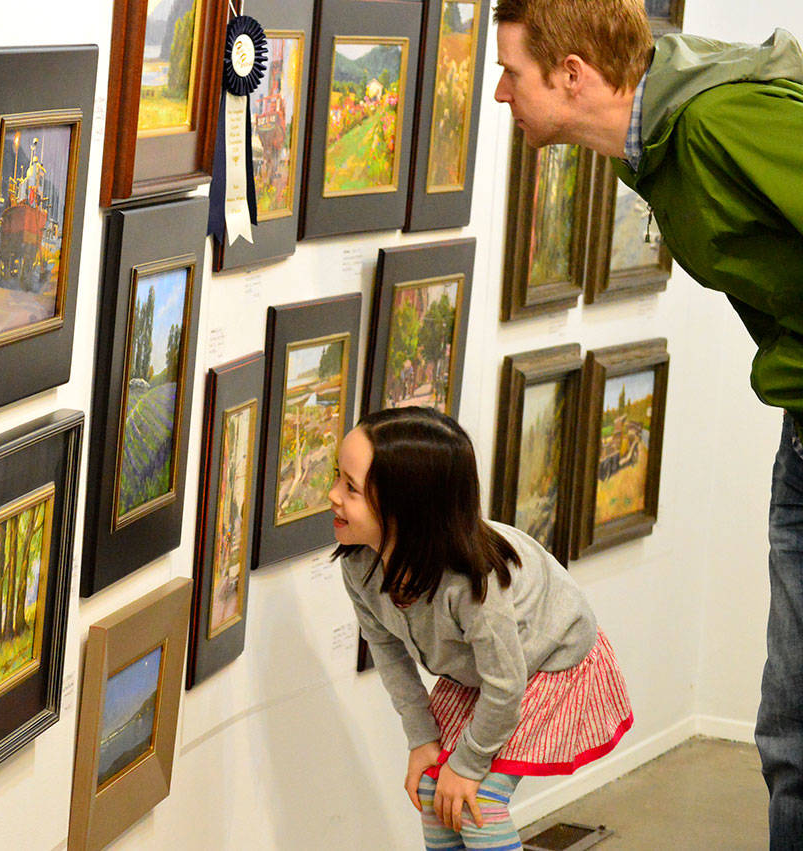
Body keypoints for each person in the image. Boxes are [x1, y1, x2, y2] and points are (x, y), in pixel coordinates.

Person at [492, 1, 803, 843]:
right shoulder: (658, 136)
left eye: (510, 72)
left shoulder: (712, 123)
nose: (497, 93)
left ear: (571, 74)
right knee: (791, 736)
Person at [329, 408, 632, 849]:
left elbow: (506, 684)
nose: (334, 495)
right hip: (482, 672)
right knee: (434, 790)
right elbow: (388, 652)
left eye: (350, 488)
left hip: (547, 665)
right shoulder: (360, 564)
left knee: (478, 803)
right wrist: (422, 739)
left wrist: (469, 764)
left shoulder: (473, 581)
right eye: (338, 477)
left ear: (406, 506)